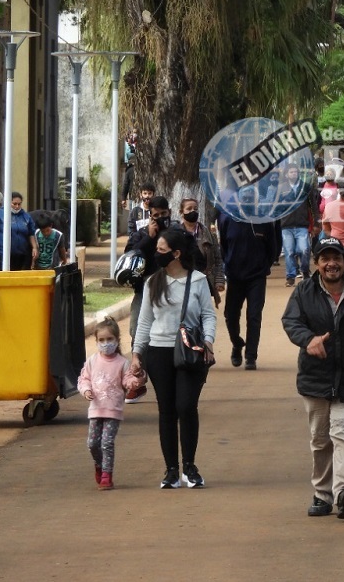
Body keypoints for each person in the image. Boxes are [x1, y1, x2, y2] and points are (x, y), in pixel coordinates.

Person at [282, 237, 344, 520]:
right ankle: (322, 495)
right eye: (325, 258)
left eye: (336, 258)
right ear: (316, 263)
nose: (331, 264)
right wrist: (309, 340)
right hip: (315, 379)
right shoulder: (304, 292)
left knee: (342, 435)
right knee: (320, 440)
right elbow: (291, 322)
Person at [130, 229, 217, 489]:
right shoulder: (152, 282)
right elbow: (144, 322)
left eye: (162, 249)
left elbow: (208, 315)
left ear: (176, 254)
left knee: (186, 406)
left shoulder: (198, 281)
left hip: (190, 350)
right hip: (159, 351)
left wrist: (209, 342)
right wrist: (137, 354)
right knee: (166, 411)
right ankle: (171, 470)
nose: (157, 254)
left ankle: (190, 466)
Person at [77, 317, 143, 490]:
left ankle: (107, 474)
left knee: (106, 442)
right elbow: (84, 379)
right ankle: (98, 465)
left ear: (117, 340)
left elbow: (128, 379)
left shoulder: (122, 363)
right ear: (97, 341)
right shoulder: (92, 361)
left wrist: (135, 382)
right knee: (92, 444)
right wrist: (86, 390)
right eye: (102, 340)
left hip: (113, 410)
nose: (106, 343)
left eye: (109, 339)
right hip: (96, 409)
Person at [217, 209, 280, 370]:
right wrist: (230, 264)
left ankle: (251, 356)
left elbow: (272, 248)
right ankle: (237, 343)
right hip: (235, 276)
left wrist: (263, 266)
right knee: (230, 316)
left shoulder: (263, 220)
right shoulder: (227, 219)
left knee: (254, 316)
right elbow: (224, 246)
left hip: (256, 277)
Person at [125, 195, 173, 350]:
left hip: (171, 289)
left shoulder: (177, 233)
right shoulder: (142, 234)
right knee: (137, 328)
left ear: (169, 212)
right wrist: (149, 238)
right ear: (150, 216)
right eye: (156, 215)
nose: (160, 218)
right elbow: (129, 254)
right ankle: (138, 362)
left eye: (163, 214)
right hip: (143, 290)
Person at [177, 197, 224, 308]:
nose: (193, 211)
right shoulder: (176, 234)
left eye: (195, 208)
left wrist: (219, 280)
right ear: (181, 212)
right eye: (189, 209)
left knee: (204, 315)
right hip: (182, 284)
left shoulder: (207, 234)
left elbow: (218, 258)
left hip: (204, 282)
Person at [279, 164, 319, 286]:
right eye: (291, 172)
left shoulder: (306, 188)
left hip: (302, 225)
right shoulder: (281, 188)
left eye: (295, 172)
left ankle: (305, 271)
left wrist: (316, 222)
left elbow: (313, 206)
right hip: (286, 225)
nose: (293, 174)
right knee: (289, 251)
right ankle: (290, 276)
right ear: (286, 174)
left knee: (304, 249)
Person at [0, 192, 38, 271]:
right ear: (8, 202)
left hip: (19, 253)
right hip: (0, 252)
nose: (17, 206)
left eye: (19, 204)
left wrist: (34, 248)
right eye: (14, 204)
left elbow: (31, 233)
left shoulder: (26, 216)